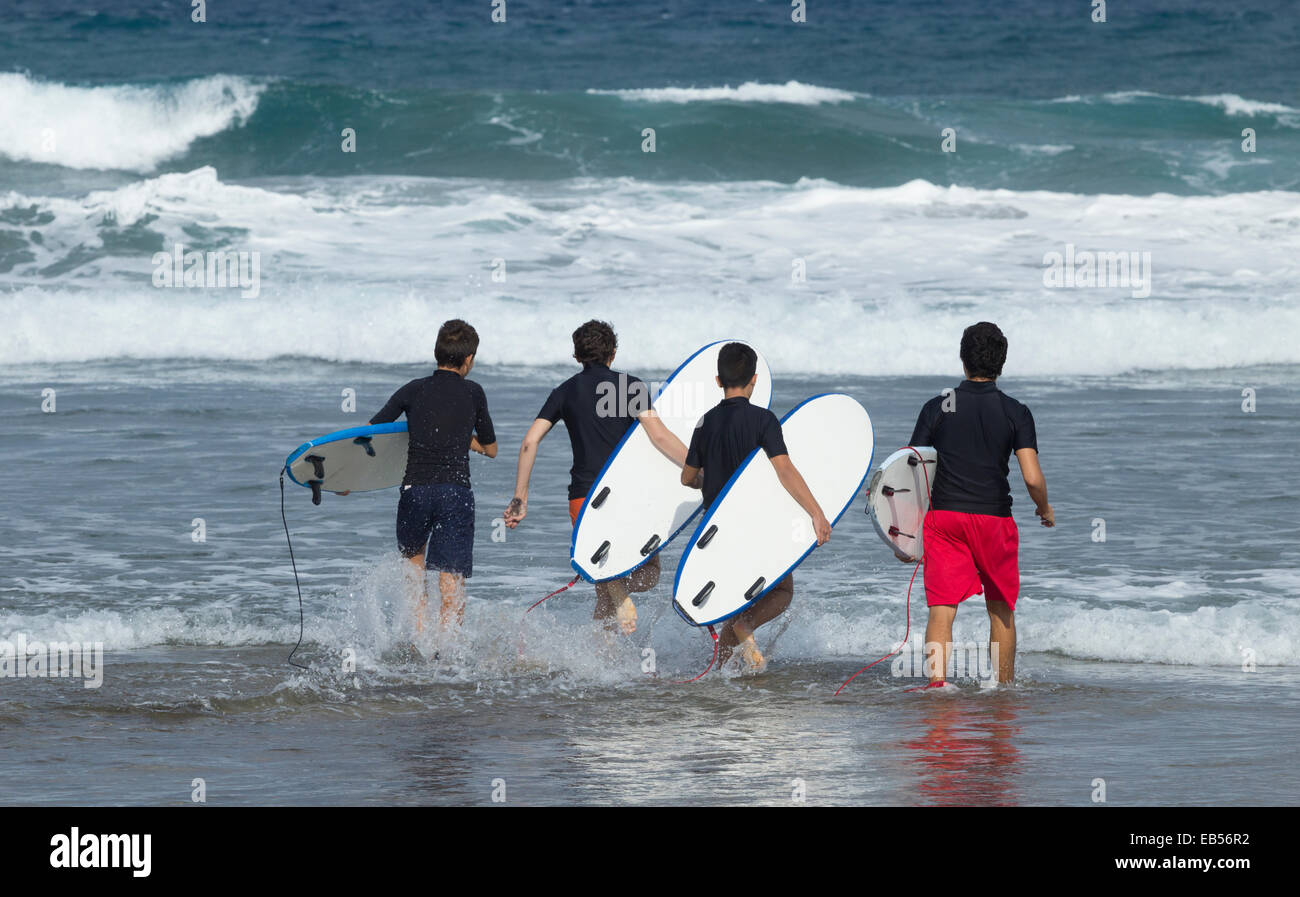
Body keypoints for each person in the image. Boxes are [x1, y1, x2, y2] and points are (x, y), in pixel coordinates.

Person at [503, 320, 687, 634]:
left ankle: (604, 660)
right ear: (613, 353)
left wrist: (521, 496)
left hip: (584, 498)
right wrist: (697, 466)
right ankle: (614, 617)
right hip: (627, 496)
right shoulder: (630, 386)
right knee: (649, 573)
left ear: (577, 356)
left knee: (605, 580)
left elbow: (529, 441)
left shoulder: (564, 392)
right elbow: (659, 437)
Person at [909, 321, 1053, 688]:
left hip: (944, 520)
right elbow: (1032, 478)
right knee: (1001, 610)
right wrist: (1044, 508)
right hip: (993, 520)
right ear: (1002, 363)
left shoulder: (938, 406)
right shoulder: (1014, 411)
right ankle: (1002, 688)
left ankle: (937, 689)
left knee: (941, 611)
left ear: (962, 359)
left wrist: (906, 534)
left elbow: (912, 469)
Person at [679, 342, 831, 672]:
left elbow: (687, 477)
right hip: (755, 526)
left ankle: (724, 674)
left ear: (718, 381)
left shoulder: (705, 422)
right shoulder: (763, 420)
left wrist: (703, 479)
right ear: (755, 380)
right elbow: (784, 470)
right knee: (781, 591)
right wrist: (816, 513)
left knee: (733, 602)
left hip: (715, 531)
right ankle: (747, 627)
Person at [368, 319, 497, 635]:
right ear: (468, 359)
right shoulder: (473, 392)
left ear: (437, 352)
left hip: (415, 491)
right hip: (455, 491)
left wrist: (345, 480)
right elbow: (491, 448)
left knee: (414, 572)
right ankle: (448, 650)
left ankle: (419, 643)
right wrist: (463, 436)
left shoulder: (413, 389)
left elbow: (373, 432)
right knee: (450, 577)